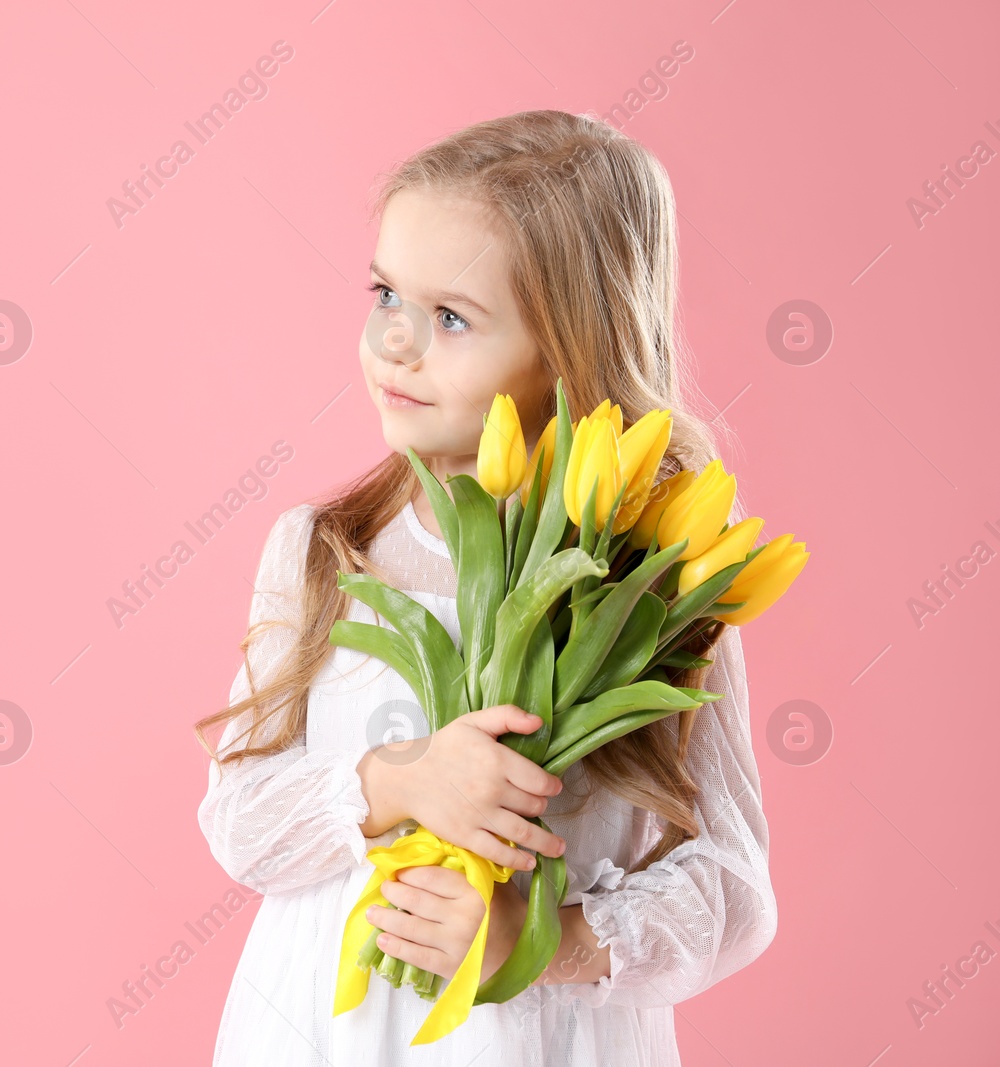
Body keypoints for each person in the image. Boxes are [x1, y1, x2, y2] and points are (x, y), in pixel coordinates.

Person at [194, 110, 777, 1066]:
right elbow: (238, 822)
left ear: (568, 349)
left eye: (451, 317)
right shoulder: (322, 551)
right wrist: (396, 783)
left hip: (548, 1038)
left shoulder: (657, 583)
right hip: (322, 1032)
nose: (395, 341)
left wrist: (543, 943)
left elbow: (732, 884)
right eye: (384, 291)